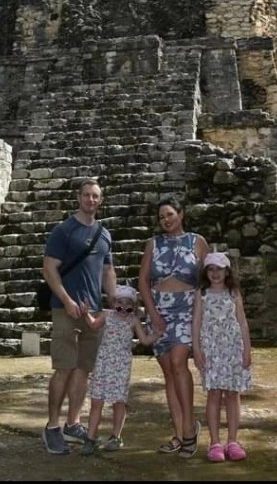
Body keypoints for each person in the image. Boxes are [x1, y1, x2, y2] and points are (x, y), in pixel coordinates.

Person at [41, 178, 116, 455]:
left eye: (96, 196)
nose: (91, 200)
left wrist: (115, 301)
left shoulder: (104, 234)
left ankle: (74, 422)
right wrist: (67, 300)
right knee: (64, 367)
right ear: (78, 197)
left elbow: (108, 272)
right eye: (86, 195)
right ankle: (52, 427)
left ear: (100, 200)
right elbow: (49, 269)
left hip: (92, 312)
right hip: (66, 309)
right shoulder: (64, 231)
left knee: (83, 368)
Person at [138, 196, 209, 458]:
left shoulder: (197, 242)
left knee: (179, 361)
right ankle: (178, 434)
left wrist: (204, 317)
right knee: (168, 371)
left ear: (181, 213)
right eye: (161, 217)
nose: (166, 220)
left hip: (187, 308)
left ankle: (190, 427)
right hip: (158, 310)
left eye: (169, 214)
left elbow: (208, 279)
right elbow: (143, 282)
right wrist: (153, 313)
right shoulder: (152, 244)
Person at [77, 284, 160, 455]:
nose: (123, 306)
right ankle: (91, 438)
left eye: (128, 303)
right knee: (97, 401)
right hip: (104, 362)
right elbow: (93, 325)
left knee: (119, 401)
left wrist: (158, 334)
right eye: (119, 302)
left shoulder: (133, 320)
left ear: (134, 306)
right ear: (113, 303)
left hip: (121, 364)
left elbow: (144, 340)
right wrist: (86, 314)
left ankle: (116, 436)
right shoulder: (107, 315)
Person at [192, 252, 253, 463]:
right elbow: (196, 323)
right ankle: (215, 442)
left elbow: (242, 321)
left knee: (233, 394)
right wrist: (197, 349)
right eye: (211, 269)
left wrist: (247, 349)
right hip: (211, 350)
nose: (215, 273)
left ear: (227, 271)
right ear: (206, 272)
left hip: (232, 348)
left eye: (219, 269)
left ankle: (233, 441)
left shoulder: (233, 293)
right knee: (214, 394)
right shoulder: (202, 294)